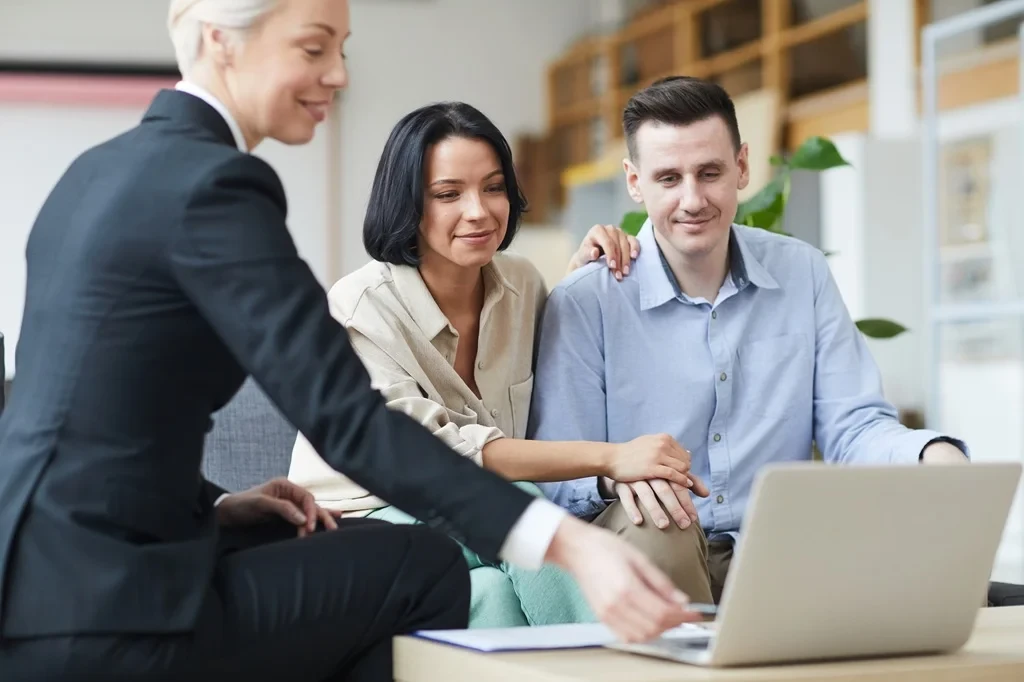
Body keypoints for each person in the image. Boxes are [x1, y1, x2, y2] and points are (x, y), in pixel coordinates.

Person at [0, 3, 702, 679]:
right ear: (221, 41)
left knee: (363, 546)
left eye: (341, 48)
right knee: (420, 564)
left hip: (41, 578)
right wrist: (565, 541)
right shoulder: (215, 187)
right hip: (112, 610)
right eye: (313, 47)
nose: (337, 72)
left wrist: (219, 504)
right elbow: (350, 421)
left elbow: (97, 409)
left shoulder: (98, 171)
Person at [528, 75, 970, 606]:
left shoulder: (801, 272)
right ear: (635, 181)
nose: (693, 199)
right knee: (660, 522)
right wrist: (613, 477)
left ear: (741, 166)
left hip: (779, 544)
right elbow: (556, 477)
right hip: (651, 548)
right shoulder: (585, 301)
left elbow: (852, 427)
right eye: (669, 178)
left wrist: (929, 454)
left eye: (710, 172)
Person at [288, 100, 711, 628]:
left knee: (487, 593)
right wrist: (612, 457)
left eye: (493, 187)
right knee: (519, 505)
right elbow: (440, 456)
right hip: (362, 518)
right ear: (406, 204)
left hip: (468, 525)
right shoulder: (359, 307)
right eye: (448, 194)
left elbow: (565, 357)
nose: (479, 211)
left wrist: (586, 279)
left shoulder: (523, 284)